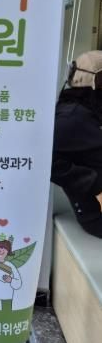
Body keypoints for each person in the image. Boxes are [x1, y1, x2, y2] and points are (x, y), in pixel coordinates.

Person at [51, 50, 102, 238]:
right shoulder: (71, 118)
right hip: (96, 214)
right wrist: (94, 184)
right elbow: (44, 159)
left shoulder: (89, 108)